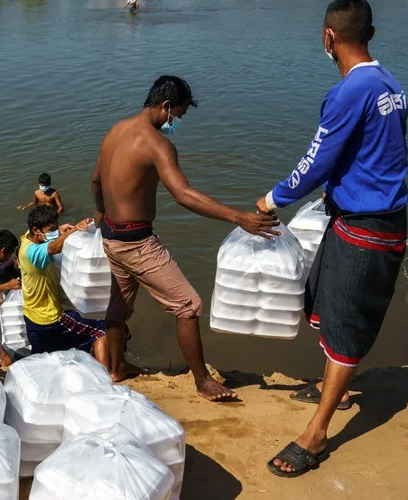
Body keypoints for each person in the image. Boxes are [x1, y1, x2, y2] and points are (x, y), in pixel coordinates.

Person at [257, 0, 408, 478]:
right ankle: (331, 391)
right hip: (356, 216)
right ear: (371, 33)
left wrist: (272, 199)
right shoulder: (390, 85)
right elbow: (370, 154)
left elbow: (316, 160)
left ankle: (316, 435)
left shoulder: (348, 92)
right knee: (321, 303)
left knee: (344, 325)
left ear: (329, 37)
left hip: (369, 227)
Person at [92, 75, 279, 402]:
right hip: (137, 243)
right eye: (177, 116)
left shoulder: (115, 131)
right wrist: (238, 217)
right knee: (188, 305)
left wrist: (99, 216)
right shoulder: (157, 143)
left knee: (118, 311)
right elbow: (183, 195)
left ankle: (117, 368)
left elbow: (95, 180)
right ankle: (202, 381)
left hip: (110, 237)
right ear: (165, 107)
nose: (176, 123)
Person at [19, 206, 107, 364]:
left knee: (41, 359)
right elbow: (53, 247)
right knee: (101, 330)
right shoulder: (32, 252)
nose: (53, 232)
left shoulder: (26, 240)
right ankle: (105, 376)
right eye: (50, 229)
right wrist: (72, 231)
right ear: (35, 229)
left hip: (31, 317)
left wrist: (59, 229)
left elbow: (48, 239)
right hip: (50, 317)